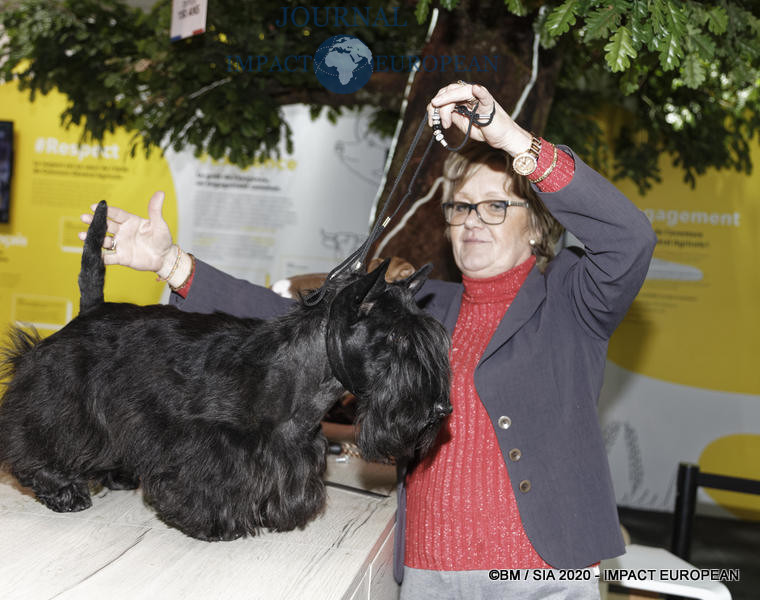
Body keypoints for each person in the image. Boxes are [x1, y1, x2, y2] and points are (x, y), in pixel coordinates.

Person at [81, 82, 656, 599]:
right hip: (431, 574)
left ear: (535, 223)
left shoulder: (574, 299)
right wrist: (172, 263)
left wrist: (512, 140)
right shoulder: (424, 307)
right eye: (460, 206)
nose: (473, 220)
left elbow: (629, 238)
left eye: (496, 204)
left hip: (541, 577)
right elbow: (293, 326)